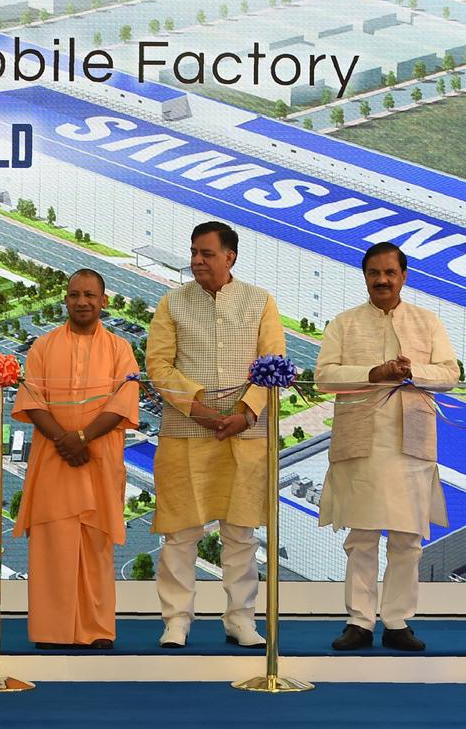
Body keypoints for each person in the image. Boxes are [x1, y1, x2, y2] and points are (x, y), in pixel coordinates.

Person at [146, 221, 284, 649]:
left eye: (206, 253)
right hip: (187, 432)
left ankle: (241, 619)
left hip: (246, 435)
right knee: (181, 532)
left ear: (230, 257)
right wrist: (200, 409)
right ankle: (176, 621)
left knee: (241, 533)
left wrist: (246, 413)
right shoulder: (172, 303)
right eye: (193, 253)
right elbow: (158, 366)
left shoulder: (260, 301)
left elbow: (275, 363)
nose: (197, 261)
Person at [316, 242, 457, 652]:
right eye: (374, 273)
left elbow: (450, 373)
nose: (382, 280)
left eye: (390, 273)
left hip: (410, 444)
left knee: (407, 539)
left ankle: (396, 622)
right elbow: (324, 376)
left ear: (404, 277)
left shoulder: (426, 322)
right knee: (361, 537)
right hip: (360, 442)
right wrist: (374, 373)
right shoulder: (344, 323)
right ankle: (359, 621)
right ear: (365, 276)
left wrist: (413, 370)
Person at [12, 269, 139, 649]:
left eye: (89, 295)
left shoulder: (120, 349)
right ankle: (51, 631)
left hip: (99, 458)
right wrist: (64, 440)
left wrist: (82, 438)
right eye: (74, 295)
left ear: (104, 301)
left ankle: (97, 629)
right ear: (65, 300)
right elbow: (32, 400)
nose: (81, 301)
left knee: (95, 545)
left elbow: (122, 403)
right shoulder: (43, 347)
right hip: (53, 459)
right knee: (53, 543)